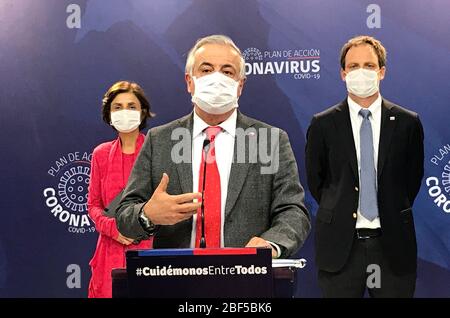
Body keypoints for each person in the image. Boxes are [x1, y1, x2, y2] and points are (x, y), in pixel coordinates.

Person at [116, 34, 310, 258]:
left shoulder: (270, 139)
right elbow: (124, 217)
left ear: (240, 85)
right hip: (177, 281)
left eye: (227, 72)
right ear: (189, 81)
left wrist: (271, 244)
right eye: (206, 70)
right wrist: (147, 214)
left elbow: (293, 211)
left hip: (248, 279)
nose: (216, 79)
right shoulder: (159, 140)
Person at [305, 35, 424, 297]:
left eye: (369, 66)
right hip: (340, 248)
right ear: (342, 73)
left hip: (392, 246)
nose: (361, 72)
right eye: (353, 66)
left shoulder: (407, 123)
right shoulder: (322, 124)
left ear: (381, 72)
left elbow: (411, 179)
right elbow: (317, 182)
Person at [87, 81, 155, 298]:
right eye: (118, 107)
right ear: (109, 113)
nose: (125, 112)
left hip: (148, 252)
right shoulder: (100, 154)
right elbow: (93, 206)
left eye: (131, 106)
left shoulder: (156, 152)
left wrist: (138, 227)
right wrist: (113, 229)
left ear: (142, 112)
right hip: (109, 253)